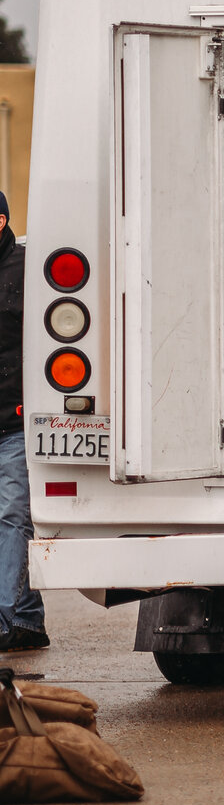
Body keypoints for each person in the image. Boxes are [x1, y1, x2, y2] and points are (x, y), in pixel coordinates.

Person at [0, 192, 31, 654]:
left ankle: (14, 618)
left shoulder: (28, 268)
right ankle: (27, 618)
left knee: (11, 516)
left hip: (16, 419)